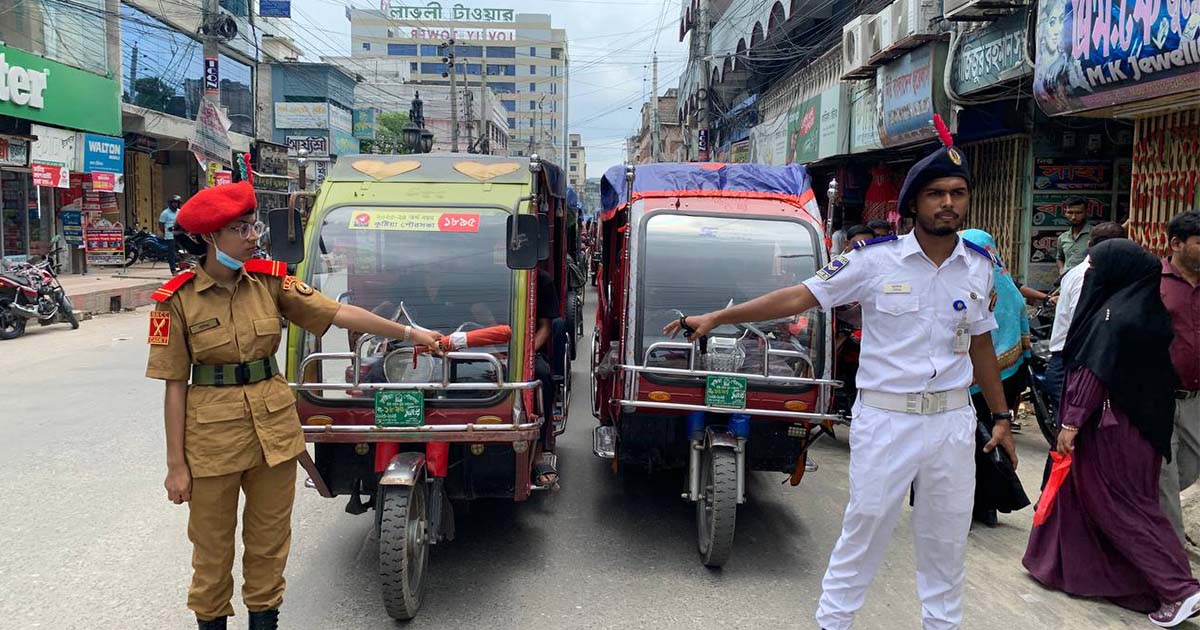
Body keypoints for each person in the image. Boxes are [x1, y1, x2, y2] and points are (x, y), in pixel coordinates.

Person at [665, 131, 1016, 630]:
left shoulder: (979, 269)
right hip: (887, 417)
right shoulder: (873, 261)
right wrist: (719, 318)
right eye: (937, 193)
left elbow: (980, 342)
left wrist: (1000, 416)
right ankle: (834, 622)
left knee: (945, 537)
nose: (948, 203)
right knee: (866, 526)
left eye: (958, 194)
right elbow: (797, 297)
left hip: (952, 421)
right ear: (914, 201)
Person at [145, 181, 442, 630]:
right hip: (210, 443)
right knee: (211, 551)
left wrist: (409, 334)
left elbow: (338, 313)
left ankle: (265, 623)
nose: (253, 236)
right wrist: (175, 465)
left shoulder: (269, 282)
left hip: (275, 436)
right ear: (209, 237)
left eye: (253, 226)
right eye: (241, 228)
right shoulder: (176, 301)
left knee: (269, 545)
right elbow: (173, 386)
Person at [1023, 239, 1200, 628]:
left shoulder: (1112, 316)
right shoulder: (1144, 309)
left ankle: (1179, 589)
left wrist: (1069, 424)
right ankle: (1080, 572)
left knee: (1119, 506)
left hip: (1110, 430)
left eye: (1096, 268)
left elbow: (1092, 374)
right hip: (1141, 429)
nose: (1090, 275)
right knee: (1094, 500)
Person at [961, 229, 1031, 528]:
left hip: (967, 375)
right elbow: (1023, 327)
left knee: (965, 442)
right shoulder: (1008, 287)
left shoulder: (967, 282)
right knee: (990, 438)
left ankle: (964, 503)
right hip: (1008, 376)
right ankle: (987, 504)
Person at [1044, 221, 1128, 409]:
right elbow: (1083, 324)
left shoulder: (1103, 274)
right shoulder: (1086, 276)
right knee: (1076, 429)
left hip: (1083, 360)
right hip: (1075, 362)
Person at [1159, 210, 1200, 543]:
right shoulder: (1153, 282)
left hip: (1195, 397)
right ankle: (1172, 556)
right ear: (1177, 243)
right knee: (1165, 473)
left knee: (1189, 467)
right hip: (1158, 396)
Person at [531, 268, 560, 487]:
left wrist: (525, 353)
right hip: (482, 347)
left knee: (542, 377)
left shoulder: (541, 280)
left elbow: (545, 328)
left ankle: (538, 451)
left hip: (526, 349)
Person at [1056, 197, 1091, 275]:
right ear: (1065, 213)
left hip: (1087, 281)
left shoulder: (1095, 234)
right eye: (1070, 213)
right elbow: (1059, 258)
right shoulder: (1062, 238)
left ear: (1086, 212)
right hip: (1067, 282)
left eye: (1078, 213)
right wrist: (1062, 270)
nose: (1073, 217)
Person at [160, 195, 182, 274]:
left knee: (181, 251)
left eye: (176, 203)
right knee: (171, 253)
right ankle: (173, 269)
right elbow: (161, 225)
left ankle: (182, 266)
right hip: (170, 236)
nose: (175, 204)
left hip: (179, 234)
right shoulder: (165, 213)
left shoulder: (180, 212)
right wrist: (165, 232)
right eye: (173, 203)